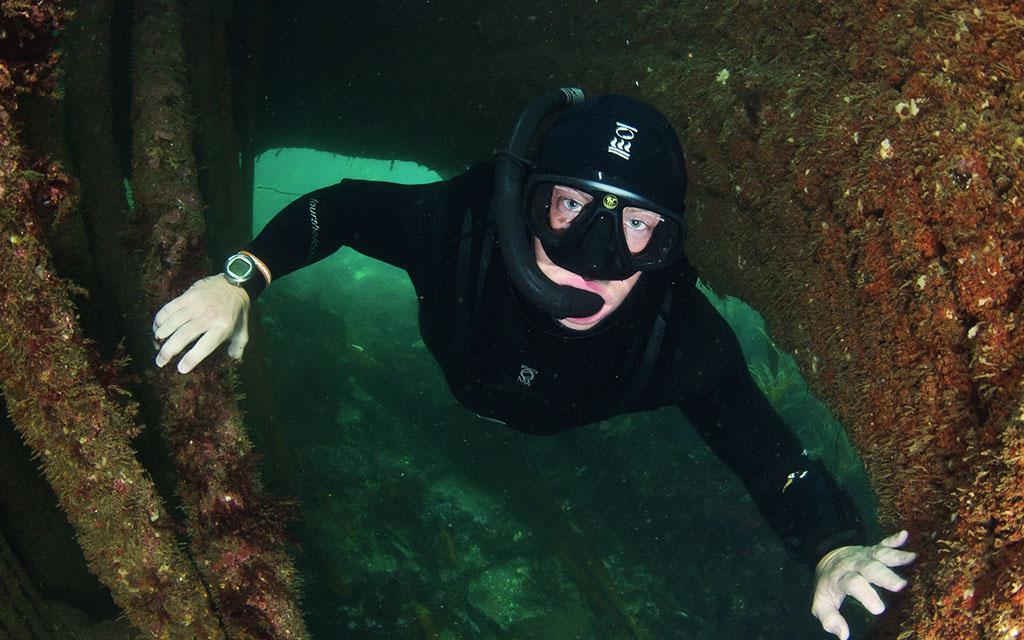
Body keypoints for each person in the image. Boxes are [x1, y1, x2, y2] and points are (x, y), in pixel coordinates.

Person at [152, 89, 915, 639]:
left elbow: (767, 454)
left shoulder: (676, 339)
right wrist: (242, 278)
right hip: (465, 376)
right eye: (570, 209)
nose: (594, 261)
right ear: (528, 201)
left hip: (552, 422)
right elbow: (341, 209)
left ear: (669, 247)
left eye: (639, 227)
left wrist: (834, 545)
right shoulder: (458, 232)